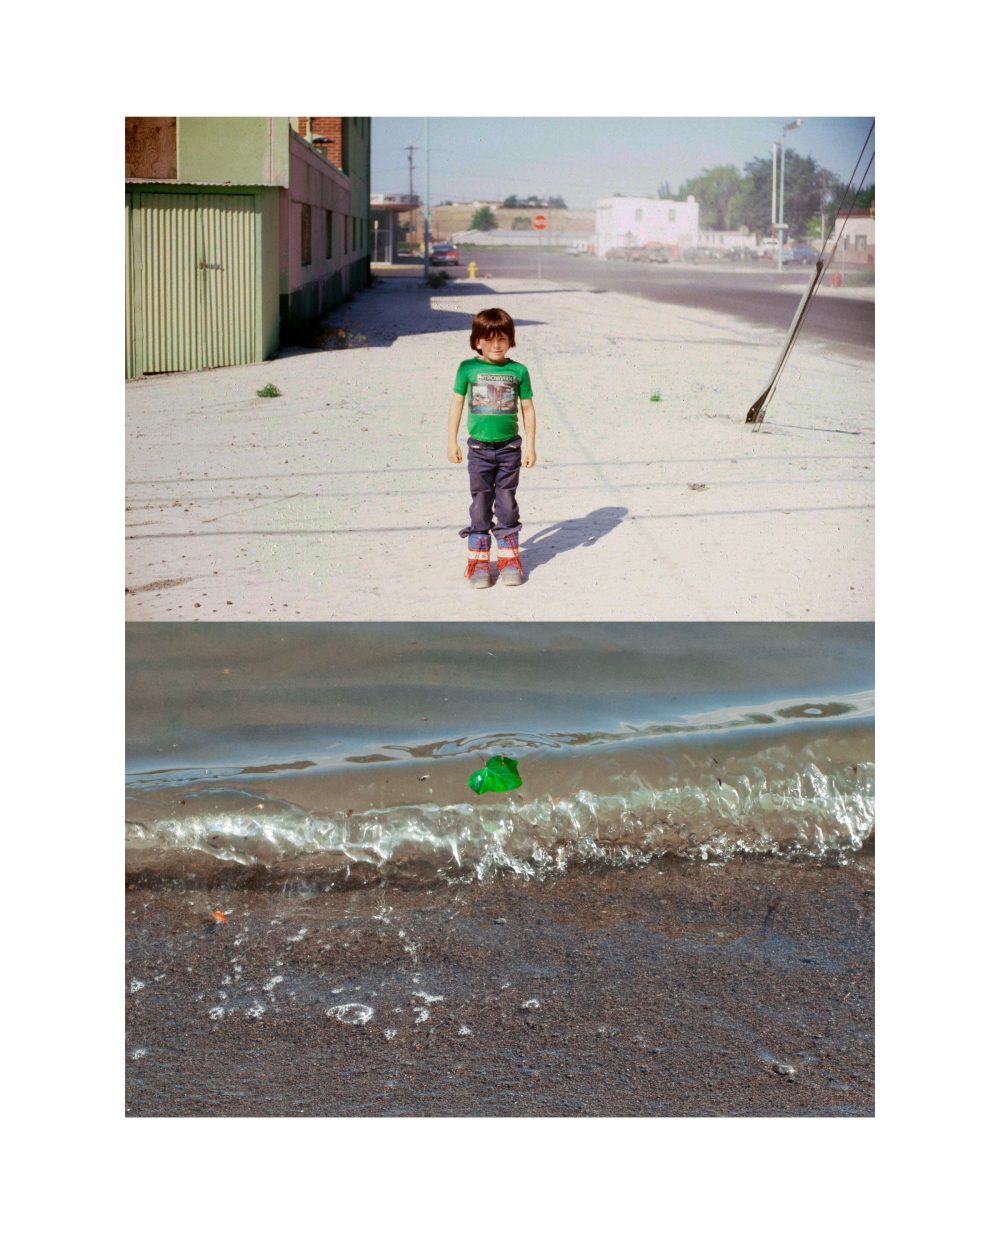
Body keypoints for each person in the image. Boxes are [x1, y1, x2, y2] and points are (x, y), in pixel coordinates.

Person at [447, 308, 537, 588]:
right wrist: (452, 441)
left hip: (510, 449)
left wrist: (531, 446)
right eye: (489, 339)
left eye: (503, 338)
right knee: (481, 505)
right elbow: (457, 404)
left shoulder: (518, 371)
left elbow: (528, 409)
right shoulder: (467, 369)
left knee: (507, 504)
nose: (496, 345)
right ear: (477, 342)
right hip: (479, 450)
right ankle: (479, 563)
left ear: (511, 340)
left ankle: (510, 560)